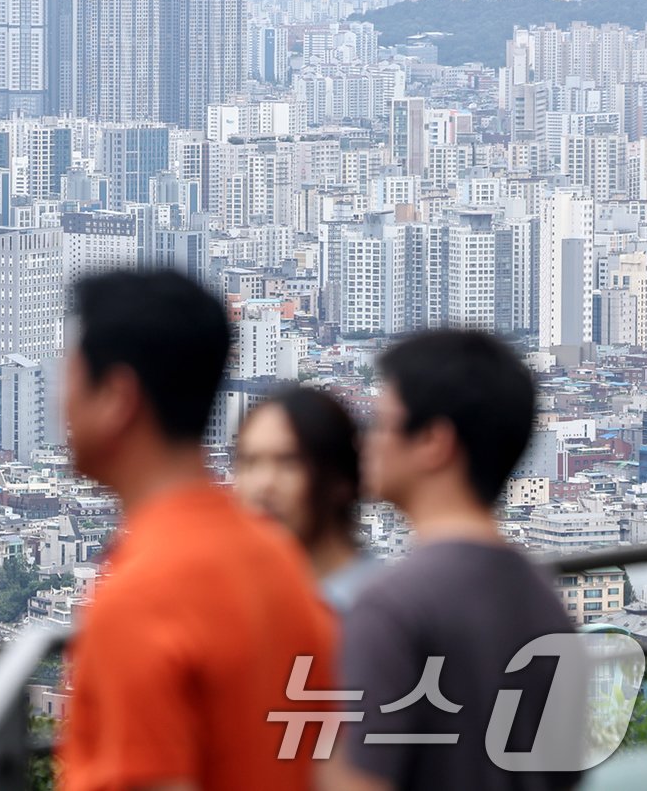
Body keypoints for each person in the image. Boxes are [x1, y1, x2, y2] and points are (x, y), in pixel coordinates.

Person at [57, 270, 337, 791]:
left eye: (70, 381)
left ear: (117, 397)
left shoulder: (142, 596)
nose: (62, 406)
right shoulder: (280, 562)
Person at [328, 330, 581, 791]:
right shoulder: (544, 601)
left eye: (382, 424)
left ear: (433, 441)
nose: (370, 443)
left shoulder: (393, 607)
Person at [233, 386, 380, 613]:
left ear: (340, 480)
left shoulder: (380, 607)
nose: (264, 484)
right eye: (249, 462)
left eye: (288, 462)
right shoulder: (241, 607)